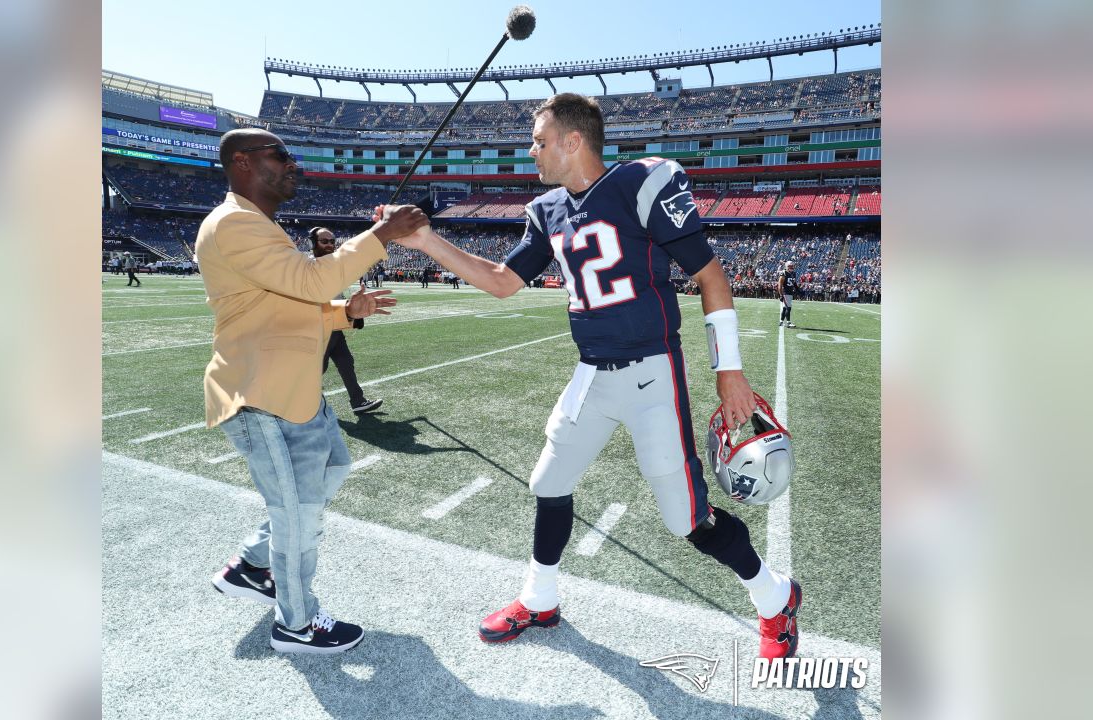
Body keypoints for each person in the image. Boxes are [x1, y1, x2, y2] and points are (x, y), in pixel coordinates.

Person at [389, 93, 801, 661]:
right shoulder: (548, 210)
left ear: (572, 141)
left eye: (538, 140)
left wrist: (729, 372)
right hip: (592, 374)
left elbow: (710, 275)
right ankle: (540, 598)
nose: (530, 151)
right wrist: (424, 241)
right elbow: (503, 280)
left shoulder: (639, 184)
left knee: (688, 519)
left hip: (651, 374)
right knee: (548, 483)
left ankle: (775, 598)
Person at [198, 128, 428, 655]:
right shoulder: (235, 222)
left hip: (292, 394)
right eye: (279, 155)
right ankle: (296, 625)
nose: (291, 164)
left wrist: (345, 313)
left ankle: (252, 565)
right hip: (260, 396)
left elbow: (282, 304)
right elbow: (311, 281)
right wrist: (381, 236)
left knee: (331, 472)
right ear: (242, 163)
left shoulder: (258, 225)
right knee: (297, 513)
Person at [309, 226, 384, 416]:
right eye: (324, 241)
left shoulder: (333, 265)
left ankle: (357, 401)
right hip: (318, 328)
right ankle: (302, 404)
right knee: (317, 369)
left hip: (335, 326)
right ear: (313, 243)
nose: (329, 245)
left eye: (332, 241)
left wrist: (351, 313)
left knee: (345, 362)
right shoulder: (308, 267)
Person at [778, 260, 797, 328]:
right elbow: (779, 285)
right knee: (788, 308)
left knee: (784, 308)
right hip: (785, 293)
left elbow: (794, 282)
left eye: (792, 266)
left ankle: (781, 322)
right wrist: (781, 295)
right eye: (789, 266)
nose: (791, 267)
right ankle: (788, 323)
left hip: (790, 293)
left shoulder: (793, 273)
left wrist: (797, 289)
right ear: (786, 266)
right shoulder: (784, 273)